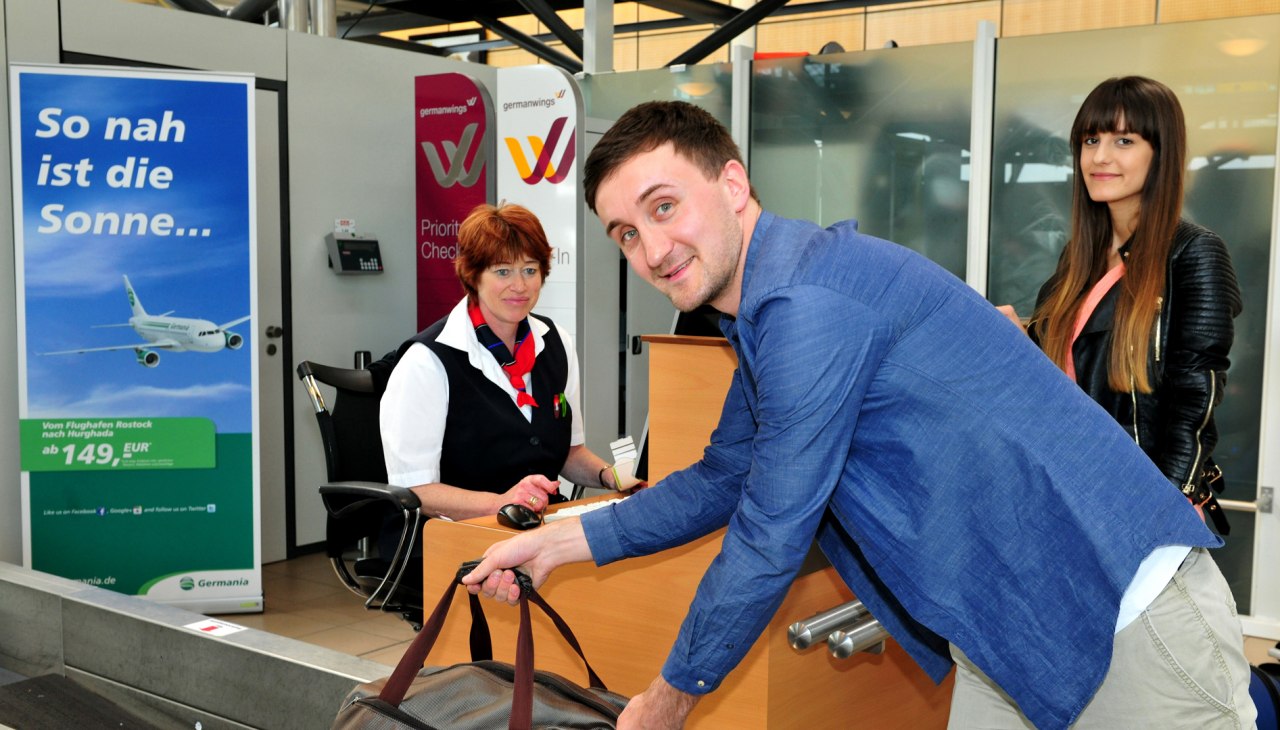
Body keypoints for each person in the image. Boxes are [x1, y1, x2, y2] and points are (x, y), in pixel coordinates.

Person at [462, 102, 1254, 729]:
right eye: (627, 234)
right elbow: (722, 477)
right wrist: (555, 542)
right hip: (1013, 620)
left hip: (1124, 612)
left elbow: (769, 533)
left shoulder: (808, 304)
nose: (652, 248)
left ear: (732, 185)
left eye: (665, 207)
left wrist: (667, 700)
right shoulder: (772, 307)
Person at [999, 76, 1243, 533]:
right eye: (1091, 140)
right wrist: (1022, 339)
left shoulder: (1192, 252)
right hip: (1073, 496)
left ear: (1160, 153)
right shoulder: (1080, 258)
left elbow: (1195, 399)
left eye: (1124, 141)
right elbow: (1068, 376)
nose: (1100, 157)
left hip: (1143, 509)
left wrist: (1161, 508)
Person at [380, 202, 635, 523]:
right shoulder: (427, 361)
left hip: (537, 524)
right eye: (503, 271)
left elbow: (569, 453)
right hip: (456, 533)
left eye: (530, 270)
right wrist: (499, 503)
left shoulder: (556, 343)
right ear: (473, 275)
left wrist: (612, 476)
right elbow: (416, 489)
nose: (520, 286)